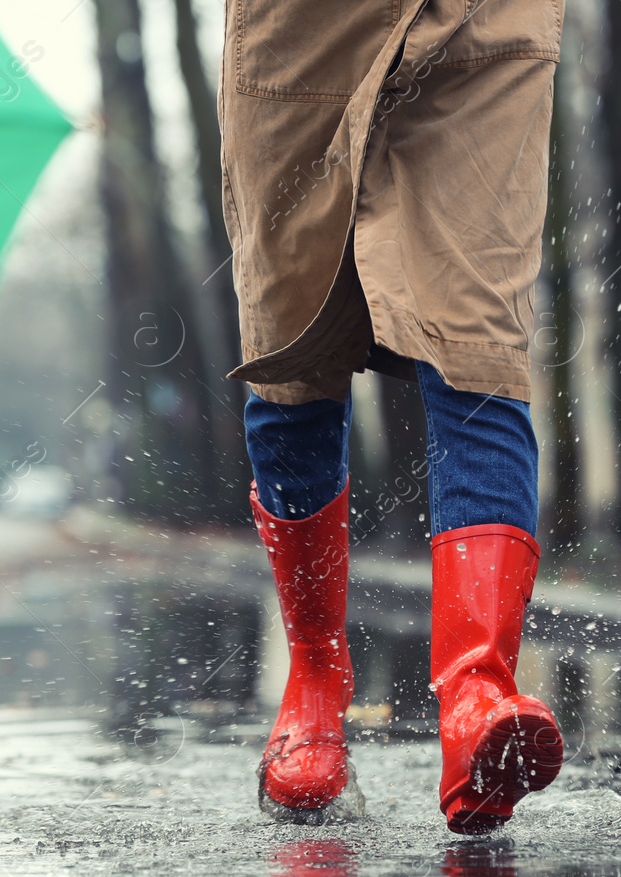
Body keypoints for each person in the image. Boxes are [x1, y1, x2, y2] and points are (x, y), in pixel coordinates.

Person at [219, 0, 565, 832]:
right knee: (292, 343)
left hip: (484, 22)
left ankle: (477, 695)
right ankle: (313, 682)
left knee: (478, 341)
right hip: (301, 30)